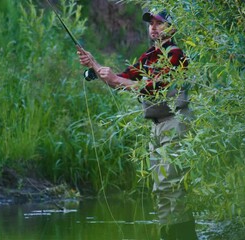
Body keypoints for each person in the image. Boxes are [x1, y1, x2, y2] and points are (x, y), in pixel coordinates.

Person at [77, 9, 197, 240]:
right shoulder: (148, 57)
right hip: (157, 125)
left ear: (172, 28)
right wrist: (93, 65)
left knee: (171, 185)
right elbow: (124, 77)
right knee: (161, 188)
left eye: (159, 23)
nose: (153, 27)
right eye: (151, 23)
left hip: (175, 123)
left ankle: (182, 236)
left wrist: (115, 80)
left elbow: (154, 86)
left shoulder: (176, 54)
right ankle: (168, 235)